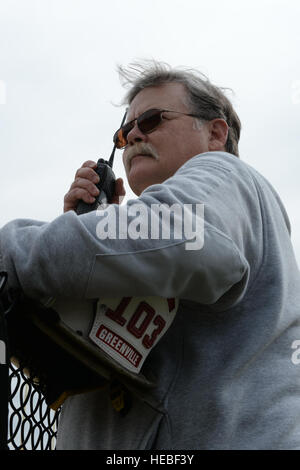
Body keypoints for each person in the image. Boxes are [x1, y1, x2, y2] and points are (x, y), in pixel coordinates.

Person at [1, 60, 300, 450]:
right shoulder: (178, 225)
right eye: (124, 133)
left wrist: (16, 249)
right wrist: (85, 237)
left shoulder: (224, 173)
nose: (134, 135)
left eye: (153, 120)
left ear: (215, 133)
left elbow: (183, 245)